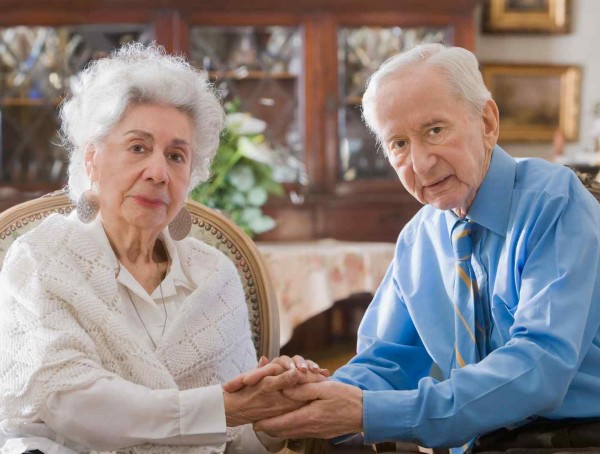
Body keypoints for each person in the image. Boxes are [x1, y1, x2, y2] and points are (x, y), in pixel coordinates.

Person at [229, 43, 600, 453]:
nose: (420, 164)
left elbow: (540, 368)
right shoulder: (419, 237)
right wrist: (310, 395)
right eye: (398, 144)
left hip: (572, 438)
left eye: (434, 131)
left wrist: (369, 412)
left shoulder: (554, 202)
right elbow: (386, 362)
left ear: (487, 122)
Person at [0, 43, 325, 454]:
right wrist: (224, 408)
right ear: (92, 161)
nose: (158, 173)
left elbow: (235, 437)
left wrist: (274, 412)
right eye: (138, 147)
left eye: (176, 156)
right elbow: (72, 403)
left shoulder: (215, 276)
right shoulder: (41, 258)